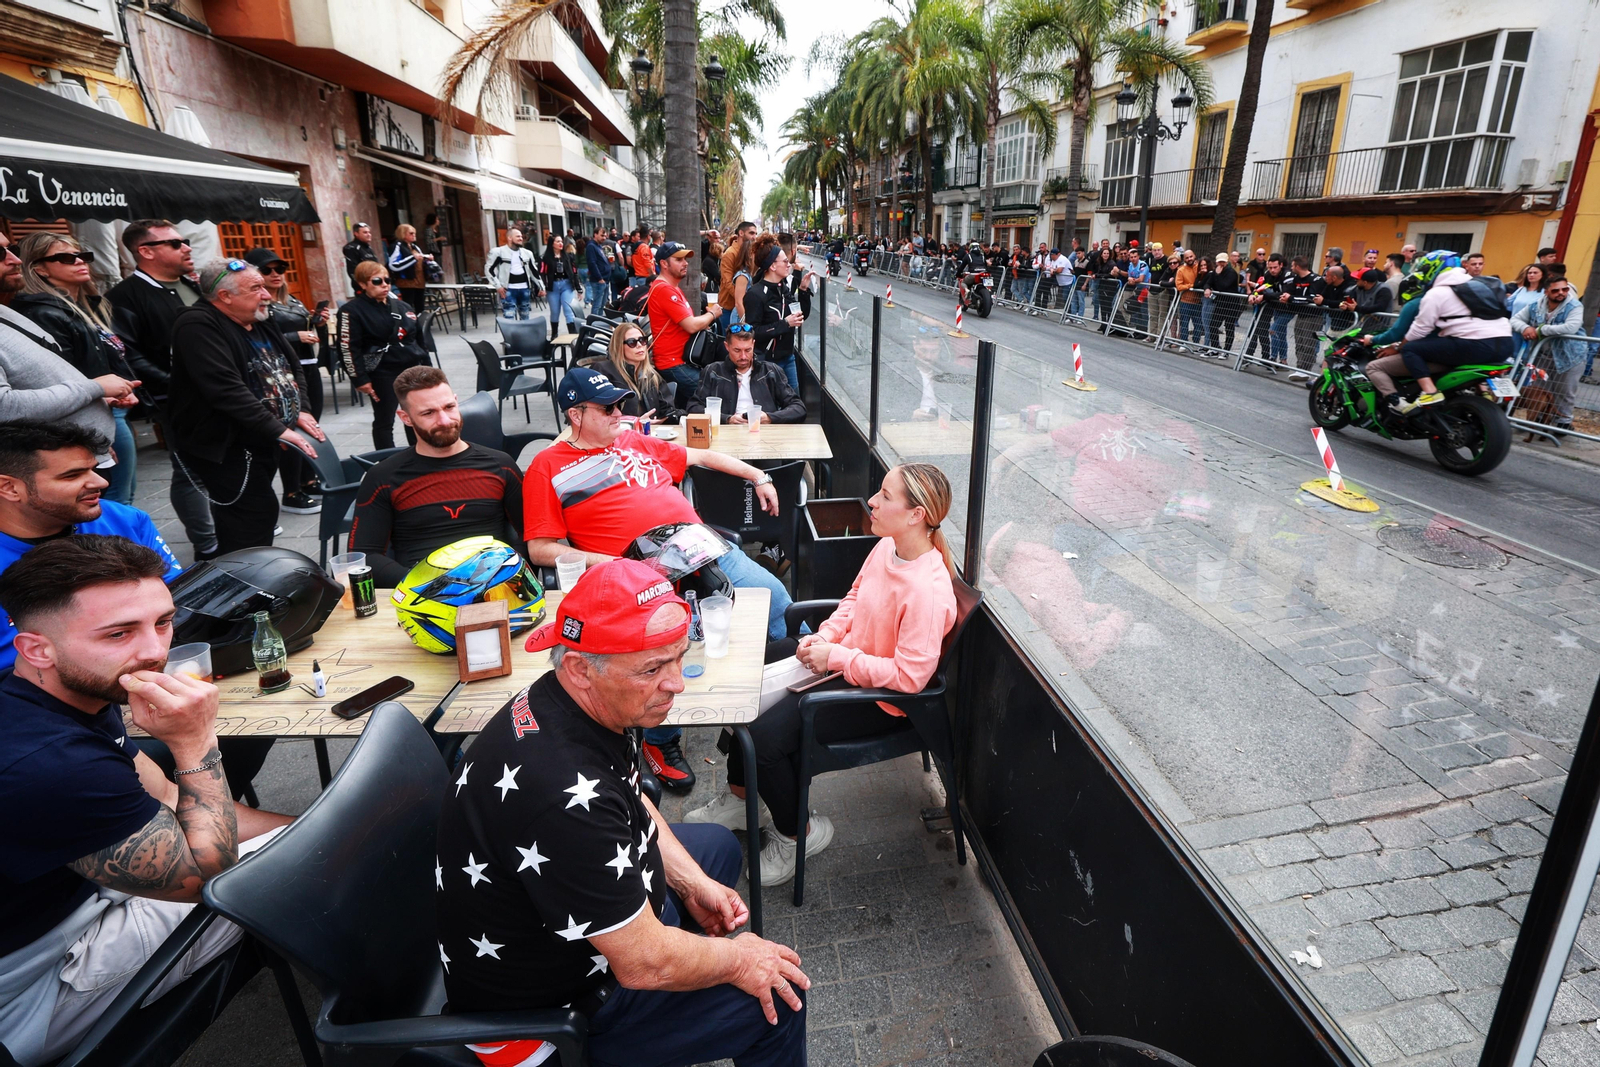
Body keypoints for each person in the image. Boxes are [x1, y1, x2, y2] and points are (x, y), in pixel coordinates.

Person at [435, 559, 807, 1067]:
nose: (675, 683)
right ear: (580, 669)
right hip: (553, 1016)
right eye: (652, 669)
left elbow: (629, 796)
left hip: (580, 941)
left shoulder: (577, 703)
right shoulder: (560, 796)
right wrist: (739, 961)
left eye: (678, 657)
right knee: (780, 999)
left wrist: (690, 882)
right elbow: (644, 962)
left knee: (715, 853)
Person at [0, 535, 293, 1065]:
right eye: (119, 633)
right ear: (37, 648)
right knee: (297, 869)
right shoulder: (50, 765)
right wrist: (195, 743)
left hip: (80, 904)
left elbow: (164, 793)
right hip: (30, 991)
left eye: (162, 621)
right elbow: (212, 881)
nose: (155, 650)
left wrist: (307, 826)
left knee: (319, 839)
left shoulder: (66, 690)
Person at [524, 367, 797, 791]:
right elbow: (541, 548)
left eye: (621, 404)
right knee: (662, 663)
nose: (620, 413)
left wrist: (759, 476)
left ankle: (776, 701)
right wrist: (612, 563)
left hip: (704, 550)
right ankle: (660, 739)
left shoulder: (630, 439)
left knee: (779, 603)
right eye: (608, 407)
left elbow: (701, 456)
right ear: (575, 415)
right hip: (639, 576)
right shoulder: (547, 467)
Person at [686, 463, 958, 884]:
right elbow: (853, 598)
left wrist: (835, 658)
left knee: (764, 735)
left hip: (882, 701)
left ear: (915, 514)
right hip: (845, 662)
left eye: (885, 496)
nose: (873, 501)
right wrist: (824, 637)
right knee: (742, 672)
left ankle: (799, 835)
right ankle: (743, 799)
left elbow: (909, 678)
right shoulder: (889, 547)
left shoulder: (928, 589)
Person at [167, 259, 324, 551]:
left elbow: (293, 366)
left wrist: (301, 409)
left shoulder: (261, 318)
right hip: (226, 445)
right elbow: (225, 388)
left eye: (264, 287)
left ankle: (247, 577)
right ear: (225, 297)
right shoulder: (197, 324)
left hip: (262, 439)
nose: (266, 294)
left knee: (256, 513)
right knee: (251, 516)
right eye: (256, 288)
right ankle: (241, 583)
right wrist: (278, 428)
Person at [0, 422, 180, 669]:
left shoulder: (125, 520)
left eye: (93, 469)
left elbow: (180, 599)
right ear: (9, 487)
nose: (100, 482)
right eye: (72, 475)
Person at [348, 366, 523, 587]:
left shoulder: (501, 465)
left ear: (456, 402)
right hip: (418, 592)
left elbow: (532, 536)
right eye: (428, 413)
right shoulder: (383, 477)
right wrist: (425, 585)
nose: (444, 420)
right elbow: (364, 556)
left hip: (494, 585)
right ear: (406, 418)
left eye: (449, 407)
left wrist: (506, 575)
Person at [106, 220, 217, 560]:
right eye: (175, 242)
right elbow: (128, 354)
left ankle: (228, 528)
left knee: (220, 464)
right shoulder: (124, 297)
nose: (186, 247)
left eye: (185, 241)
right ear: (146, 251)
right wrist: (177, 384)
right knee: (190, 472)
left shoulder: (193, 286)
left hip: (219, 394)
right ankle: (208, 544)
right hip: (177, 402)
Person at [11, 234, 148, 506]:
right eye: (65, 258)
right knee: (113, 501)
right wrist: (91, 426)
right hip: (85, 417)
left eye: (82, 256)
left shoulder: (83, 306)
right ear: (39, 268)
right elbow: (58, 378)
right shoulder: (45, 313)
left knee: (122, 496)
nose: (78, 262)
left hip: (106, 407)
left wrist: (121, 390)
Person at [244, 247, 324, 516]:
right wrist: (296, 337)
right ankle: (292, 491)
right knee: (289, 431)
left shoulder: (293, 300)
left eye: (280, 269)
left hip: (307, 368)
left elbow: (302, 327)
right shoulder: (260, 308)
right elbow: (265, 339)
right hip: (280, 374)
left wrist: (317, 323)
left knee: (310, 424)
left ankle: (308, 480)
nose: (275, 274)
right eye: (267, 270)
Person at [1385, 264, 1513, 414]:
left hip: (1477, 344)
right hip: (1506, 344)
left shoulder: (1437, 293)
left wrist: (1399, 346)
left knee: (1411, 348)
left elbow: (1420, 329)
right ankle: (1483, 393)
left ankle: (1430, 392)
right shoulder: (1476, 289)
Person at [337, 261, 429, 450]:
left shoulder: (402, 305)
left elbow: (419, 340)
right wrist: (359, 379)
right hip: (383, 372)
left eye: (387, 280)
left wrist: (427, 368)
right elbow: (347, 347)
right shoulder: (351, 310)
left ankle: (420, 452)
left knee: (416, 415)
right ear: (363, 284)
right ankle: (386, 459)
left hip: (412, 368)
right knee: (385, 419)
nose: (385, 284)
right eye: (377, 281)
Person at [1511, 274, 1585, 431]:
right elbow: (1515, 319)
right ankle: (1536, 420)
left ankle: (1563, 423)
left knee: (1565, 390)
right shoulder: (1535, 305)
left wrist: (1540, 330)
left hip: (1570, 356)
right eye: (1555, 290)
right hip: (1543, 355)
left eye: (1565, 289)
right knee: (1538, 390)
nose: (1561, 293)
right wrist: (1525, 327)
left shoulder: (1574, 306)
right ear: (1546, 292)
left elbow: (1571, 327)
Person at [688, 326, 805, 424]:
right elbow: (693, 408)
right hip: (727, 434)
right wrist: (726, 419)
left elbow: (799, 408)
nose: (743, 356)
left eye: (748, 350)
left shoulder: (770, 371)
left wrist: (769, 417)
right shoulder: (713, 371)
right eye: (737, 350)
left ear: (753, 345)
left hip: (764, 434)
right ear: (727, 346)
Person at [646, 243, 719, 393]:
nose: (685, 263)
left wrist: (703, 321)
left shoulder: (672, 288)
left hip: (681, 360)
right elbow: (691, 325)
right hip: (673, 363)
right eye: (679, 260)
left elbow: (686, 323)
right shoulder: (665, 289)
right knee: (713, 390)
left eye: (685, 259)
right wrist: (712, 314)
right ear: (664, 264)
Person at [579, 323, 682, 421]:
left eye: (642, 340)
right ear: (619, 347)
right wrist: (634, 422)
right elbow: (595, 413)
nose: (639, 345)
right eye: (632, 342)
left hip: (650, 434)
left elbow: (668, 410)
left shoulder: (652, 376)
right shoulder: (603, 371)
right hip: (618, 435)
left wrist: (677, 417)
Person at [742, 239, 806, 391]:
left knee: (794, 401)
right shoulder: (755, 294)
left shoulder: (782, 288)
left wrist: (803, 290)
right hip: (767, 360)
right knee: (772, 406)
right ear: (772, 265)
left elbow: (801, 315)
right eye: (785, 261)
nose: (788, 264)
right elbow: (752, 332)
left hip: (788, 357)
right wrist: (784, 324)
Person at [1276, 255, 1325, 378]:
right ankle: (1299, 367)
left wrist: (1291, 298)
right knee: (1299, 342)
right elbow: (1289, 292)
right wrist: (1285, 296)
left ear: (1297, 266)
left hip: (1313, 316)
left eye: (1292, 265)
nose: (1291, 268)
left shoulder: (1316, 279)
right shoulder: (1296, 279)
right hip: (1301, 315)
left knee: (1309, 343)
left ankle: (1305, 370)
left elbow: (1311, 298)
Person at [486, 229, 542, 320]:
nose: (521, 238)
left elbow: (533, 271)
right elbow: (489, 269)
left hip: (524, 289)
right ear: (509, 238)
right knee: (509, 317)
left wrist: (541, 286)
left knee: (525, 317)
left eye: (521, 236)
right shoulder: (498, 252)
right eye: (518, 236)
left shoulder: (527, 253)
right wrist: (498, 286)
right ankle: (511, 334)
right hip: (508, 290)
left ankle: (524, 334)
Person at [541, 234, 583, 340]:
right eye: (558, 242)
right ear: (552, 244)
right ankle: (554, 334)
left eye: (561, 241)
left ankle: (573, 335)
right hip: (553, 286)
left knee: (568, 310)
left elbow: (574, 272)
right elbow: (542, 273)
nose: (561, 244)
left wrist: (578, 288)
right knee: (555, 311)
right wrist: (542, 288)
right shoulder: (546, 258)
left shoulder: (567, 256)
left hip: (566, 285)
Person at [719, 221, 757, 329]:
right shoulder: (730, 253)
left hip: (741, 306)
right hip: (728, 307)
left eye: (755, 234)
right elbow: (727, 281)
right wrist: (740, 298)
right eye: (751, 233)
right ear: (741, 233)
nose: (754, 237)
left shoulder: (748, 252)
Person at [387, 223, 432, 312]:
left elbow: (420, 258)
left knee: (420, 307)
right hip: (406, 282)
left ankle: (421, 325)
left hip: (420, 282)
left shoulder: (415, 247)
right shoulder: (397, 246)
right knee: (408, 307)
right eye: (411, 233)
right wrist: (413, 258)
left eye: (414, 233)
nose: (414, 235)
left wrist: (427, 259)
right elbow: (393, 265)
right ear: (403, 234)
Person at [1205, 251, 1242, 353]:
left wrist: (1217, 274)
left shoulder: (1231, 272)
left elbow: (1223, 286)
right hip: (1220, 303)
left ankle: (1227, 350)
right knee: (1213, 325)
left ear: (1226, 262)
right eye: (1219, 262)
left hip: (1232, 304)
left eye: (1223, 262)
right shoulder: (1214, 272)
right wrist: (1207, 288)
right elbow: (1208, 282)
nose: (1221, 264)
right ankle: (1215, 347)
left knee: (1229, 327)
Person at [1174, 250, 1201, 345]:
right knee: (1184, 324)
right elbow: (1179, 286)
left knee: (1198, 325)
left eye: (1191, 256)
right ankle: (1183, 343)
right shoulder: (1181, 270)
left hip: (1198, 302)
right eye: (1187, 257)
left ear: (1194, 256)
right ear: (1184, 259)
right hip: (1185, 302)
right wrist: (1191, 286)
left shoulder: (1200, 267)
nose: (1189, 259)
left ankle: (1196, 343)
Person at [586, 227, 611, 317]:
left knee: (601, 305)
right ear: (595, 235)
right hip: (599, 280)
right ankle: (594, 324)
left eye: (605, 236)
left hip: (604, 279)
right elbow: (592, 263)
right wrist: (599, 278)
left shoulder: (598, 246)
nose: (604, 238)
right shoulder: (591, 246)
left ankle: (598, 322)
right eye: (601, 235)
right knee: (597, 304)